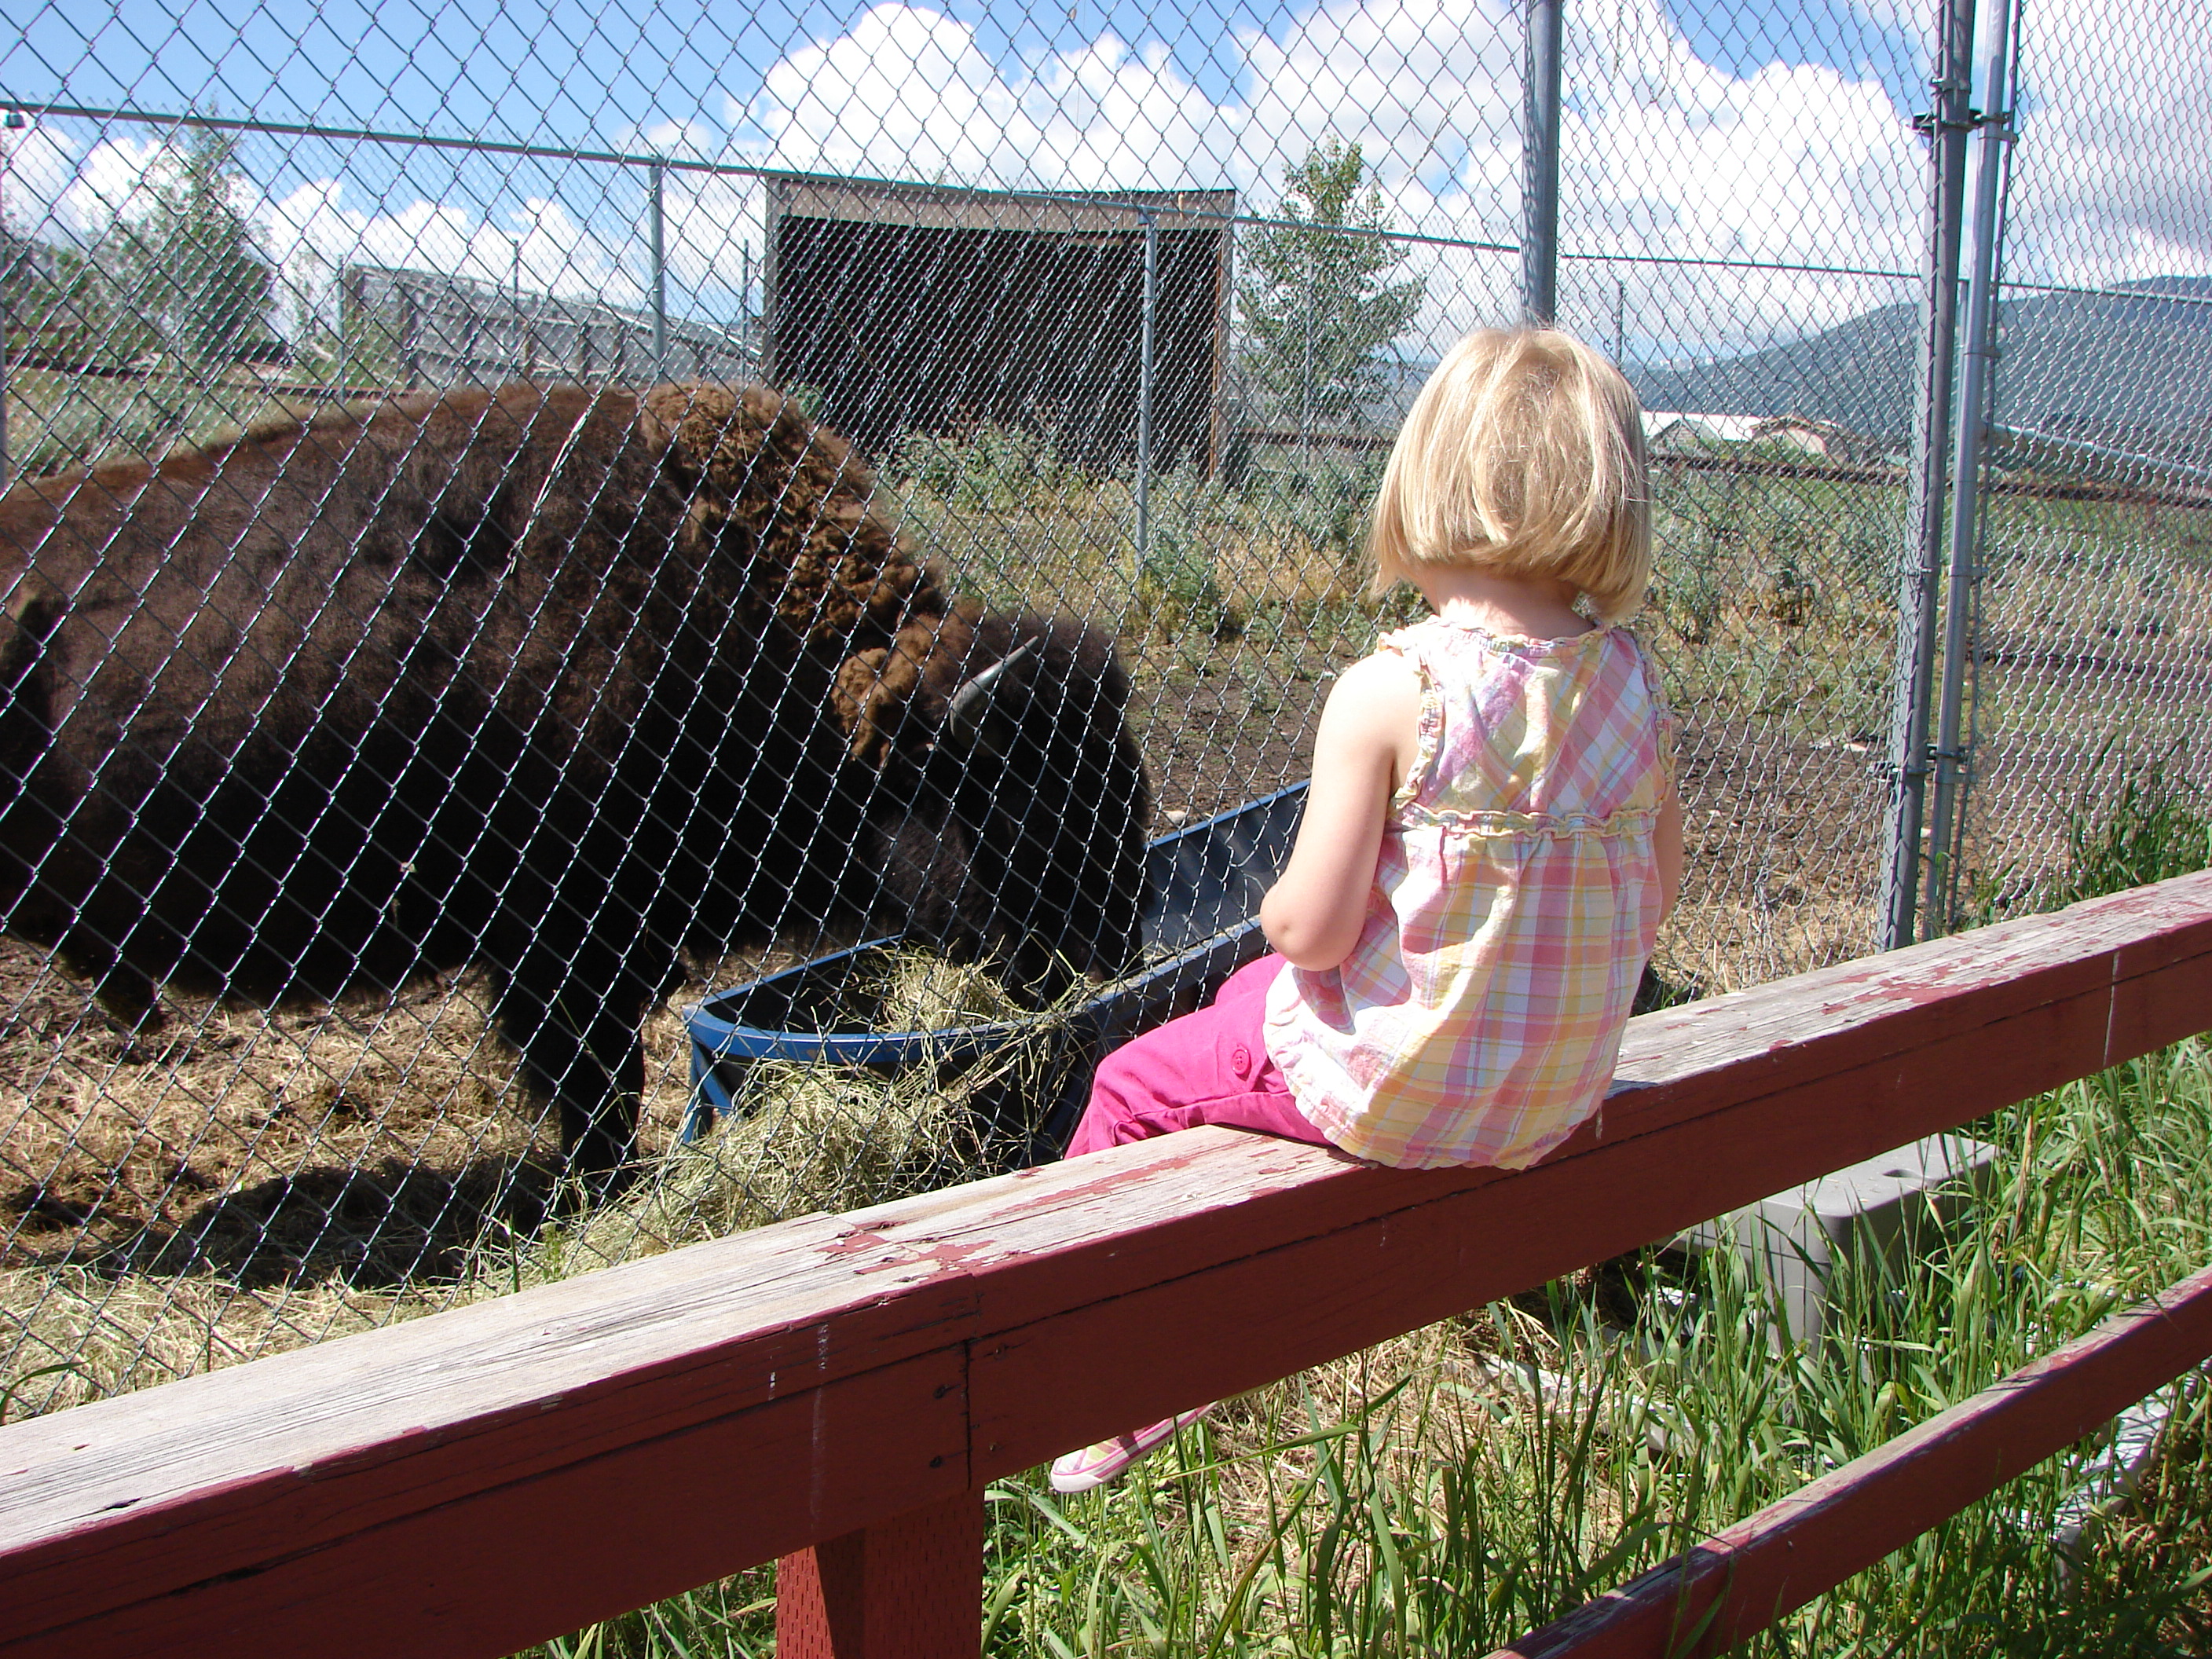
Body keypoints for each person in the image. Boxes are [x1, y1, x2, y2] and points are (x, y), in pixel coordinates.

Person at [1046, 326, 1686, 1496]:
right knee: (1252, 1009)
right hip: (1549, 1093)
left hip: (1405, 1095)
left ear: (1426, 480)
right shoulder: (1629, 681)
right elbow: (1654, 893)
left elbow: (1314, 933)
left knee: (1132, 1081)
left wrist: (1283, 902)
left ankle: (1112, 1387)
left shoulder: (1396, 688)